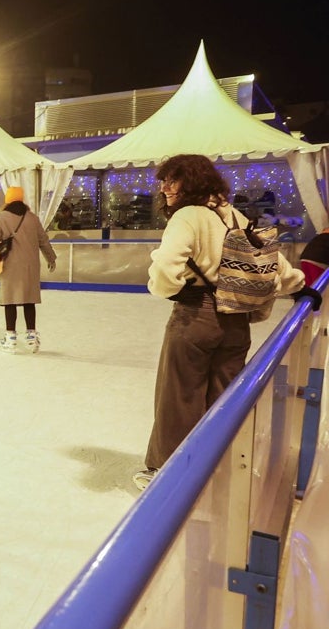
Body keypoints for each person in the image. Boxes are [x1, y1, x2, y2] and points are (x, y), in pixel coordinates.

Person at [134, 154, 315, 490]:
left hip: (196, 317)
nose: (164, 188)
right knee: (222, 399)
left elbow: (165, 270)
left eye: (171, 180)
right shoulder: (232, 215)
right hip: (236, 320)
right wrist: (301, 286)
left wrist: (167, 289)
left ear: (189, 182)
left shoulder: (187, 216)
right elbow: (270, 259)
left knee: (181, 397)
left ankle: (169, 476)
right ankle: (216, 470)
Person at [0, 187, 56, 353]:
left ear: (8, 200)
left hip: (10, 265)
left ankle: (10, 338)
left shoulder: (1, 218)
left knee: (9, 300)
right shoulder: (32, 218)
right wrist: (51, 258)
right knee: (29, 299)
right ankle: (32, 338)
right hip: (31, 266)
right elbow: (43, 241)